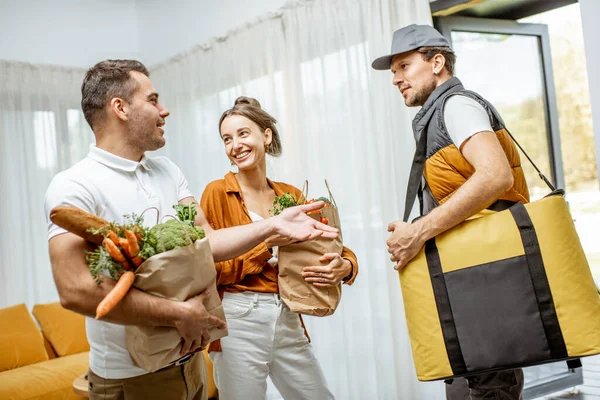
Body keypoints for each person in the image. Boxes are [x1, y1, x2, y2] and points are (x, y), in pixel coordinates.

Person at [44, 60, 337, 400]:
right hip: (133, 376)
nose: (164, 110)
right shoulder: (73, 185)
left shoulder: (167, 171)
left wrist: (272, 226)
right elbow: (74, 290)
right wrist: (179, 314)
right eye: (153, 100)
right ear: (120, 108)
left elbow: (208, 240)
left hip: (190, 363)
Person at [372, 25, 529, 399]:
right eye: (394, 71)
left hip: (484, 287)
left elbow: (495, 175)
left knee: (489, 386)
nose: (396, 79)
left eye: (404, 66)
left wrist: (420, 230)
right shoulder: (438, 116)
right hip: (473, 286)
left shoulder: (456, 106)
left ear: (437, 62)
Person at [199, 96, 359, 400]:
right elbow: (210, 268)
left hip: (287, 312)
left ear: (266, 135)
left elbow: (327, 239)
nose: (235, 145)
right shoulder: (217, 193)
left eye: (243, 133)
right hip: (238, 318)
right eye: (227, 139)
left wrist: (347, 266)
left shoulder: (290, 194)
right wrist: (267, 246)